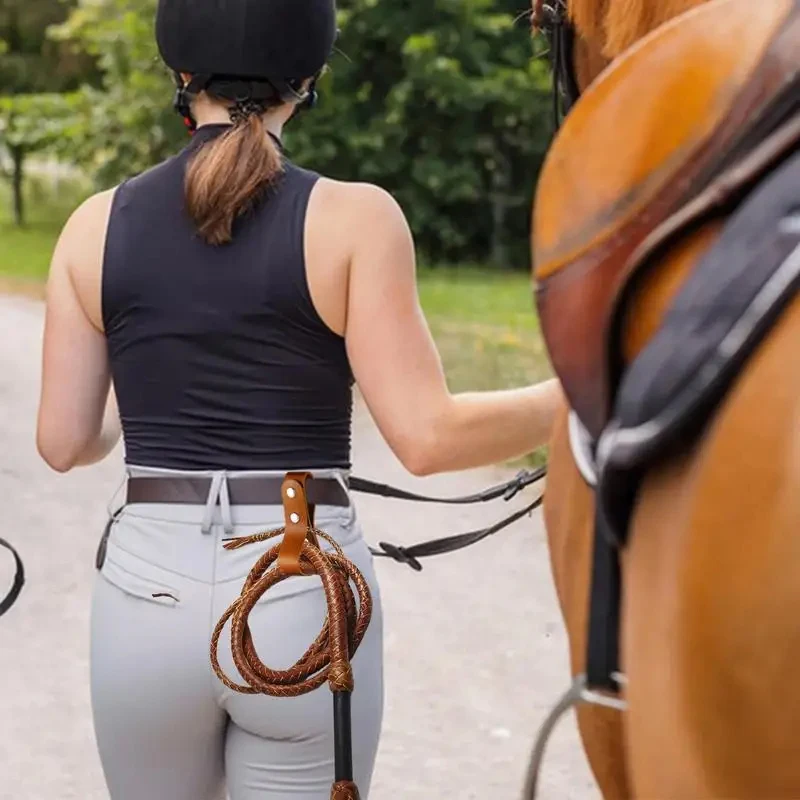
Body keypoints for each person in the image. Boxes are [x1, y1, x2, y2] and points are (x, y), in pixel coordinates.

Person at [35, 0, 562, 797]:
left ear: (181, 75)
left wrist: (148, 390)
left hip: (145, 596)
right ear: (308, 78)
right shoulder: (356, 220)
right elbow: (429, 438)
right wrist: (583, 394)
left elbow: (64, 441)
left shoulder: (90, 226)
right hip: (299, 588)